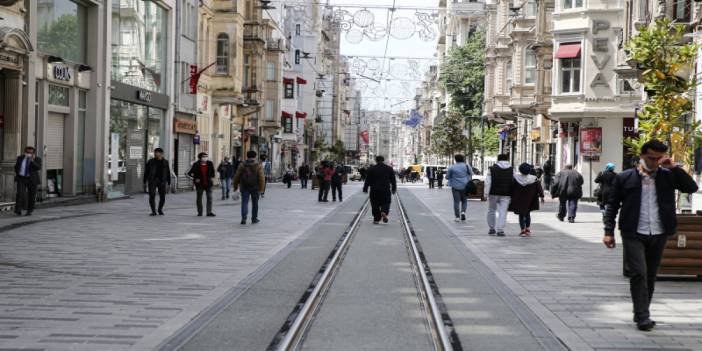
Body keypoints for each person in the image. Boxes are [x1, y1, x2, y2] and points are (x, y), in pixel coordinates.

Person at [603, 140, 698, 331]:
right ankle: (642, 316)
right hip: (633, 231)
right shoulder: (624, 178)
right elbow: (612, 205)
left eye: (658, 158)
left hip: (659, 231)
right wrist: (608, 231)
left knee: (650, 275)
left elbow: (691, 188)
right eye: (651, 158)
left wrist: (674, 168)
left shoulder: (667, 176)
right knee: (638, 272)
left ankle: (643, 311)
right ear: (642, 155)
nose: (654, 162)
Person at [509, 163, 545, 237]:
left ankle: (522, 231)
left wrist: (510, 196)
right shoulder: (534, 178)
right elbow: (539, 188)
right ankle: (527, 229)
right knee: (528, 214)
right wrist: (542, 197)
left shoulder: (516, 178)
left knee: (521, 215)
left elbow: (511, 188)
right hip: (530, 199)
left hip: (519, 199)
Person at [233, 150, 266, 225]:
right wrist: (261, 189)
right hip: (255, 187)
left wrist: (235, 186)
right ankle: (254, 219)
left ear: (247, 156)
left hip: (244, 186)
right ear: (255, 156)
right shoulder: (258, 165)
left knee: (244, 202)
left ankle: (244, 218)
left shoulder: (242, 165)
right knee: (255, 203)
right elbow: (261, 178)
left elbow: (237, 176)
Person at [485, 154, 513, 236]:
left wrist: (486, 193)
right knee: (503, 212)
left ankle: (492, 228)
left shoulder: (492, 169)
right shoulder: (511, 169)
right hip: (506, 193)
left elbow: (488, 182)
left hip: (493, 192)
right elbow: (513, 181)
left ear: (498, 159)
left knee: (491, 210)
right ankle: (500, 230)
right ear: (507, 159)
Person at [363, 156, 397, 224]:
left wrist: (365, 188)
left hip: (374, 190)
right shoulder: (389, 169)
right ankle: (384, 212)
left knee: (375, 204)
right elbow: (393, 180)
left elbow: (367, 180)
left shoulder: (371, 169)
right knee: (386, 202)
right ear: (383, 160)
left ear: (376, 161)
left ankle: (376, 219)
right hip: (385, 189)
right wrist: (393, 189)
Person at [14, 146, 42, 216]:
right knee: (20, 193)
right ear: (25, 152)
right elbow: (16, 167)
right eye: (27, 152)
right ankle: (18, 210)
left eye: (30, 153)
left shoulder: (37, 159)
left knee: (31, 195)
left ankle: (30, 210)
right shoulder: (20, 158)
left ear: (33, 153)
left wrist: (32, 161)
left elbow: (38, 167)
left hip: (32, 179)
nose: (29, 154)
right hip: (22, 178)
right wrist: (18, 173)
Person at [187, 152, 216, 217]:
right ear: (200, 157)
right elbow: (188, 173)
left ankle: (209, 212)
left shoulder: (210, 163)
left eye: (206, 156)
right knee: (199, 198)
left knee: (209, 197)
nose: (205, 157)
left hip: (208, 184)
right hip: (200, 184)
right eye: (204, 156)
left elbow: (213, 172)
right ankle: (200, 212)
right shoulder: (196, 164)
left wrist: (211, 177)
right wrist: (195, 179)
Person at [144, 148, 171, 216]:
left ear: (161, 153)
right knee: (152, 195)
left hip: (162, 181)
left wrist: (169, 182)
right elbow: (146, 172)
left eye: (157, 152)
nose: (156, 154)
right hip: (152, 180)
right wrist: (144, 181)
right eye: (155, 152)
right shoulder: (150, 161)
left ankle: (160, 209)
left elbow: (168, 172)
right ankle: (153, 211)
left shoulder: (165, 162)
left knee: (162, 196)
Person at [446, 154, 472, 222]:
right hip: (465, 186)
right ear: (463, 159)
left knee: (456, 201)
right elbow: (471, 173)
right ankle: (463, 212)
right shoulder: (466, 166)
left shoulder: (452, 167)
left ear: (455, 159)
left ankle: (457, 217)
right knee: (464, 201)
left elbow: (447, 177)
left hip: (455, 186)